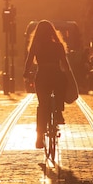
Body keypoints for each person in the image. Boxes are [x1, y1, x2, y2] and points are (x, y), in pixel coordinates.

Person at [23, 20, 68, 149]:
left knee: (42, 105)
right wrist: (67, 73)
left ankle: (39, 137)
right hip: (56, 75)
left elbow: (29, 60)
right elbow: (64, 64)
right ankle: (58, 112)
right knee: (60, 89)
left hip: (42, 75)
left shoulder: (36, 45)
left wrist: (26, 73)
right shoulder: (58, 46)